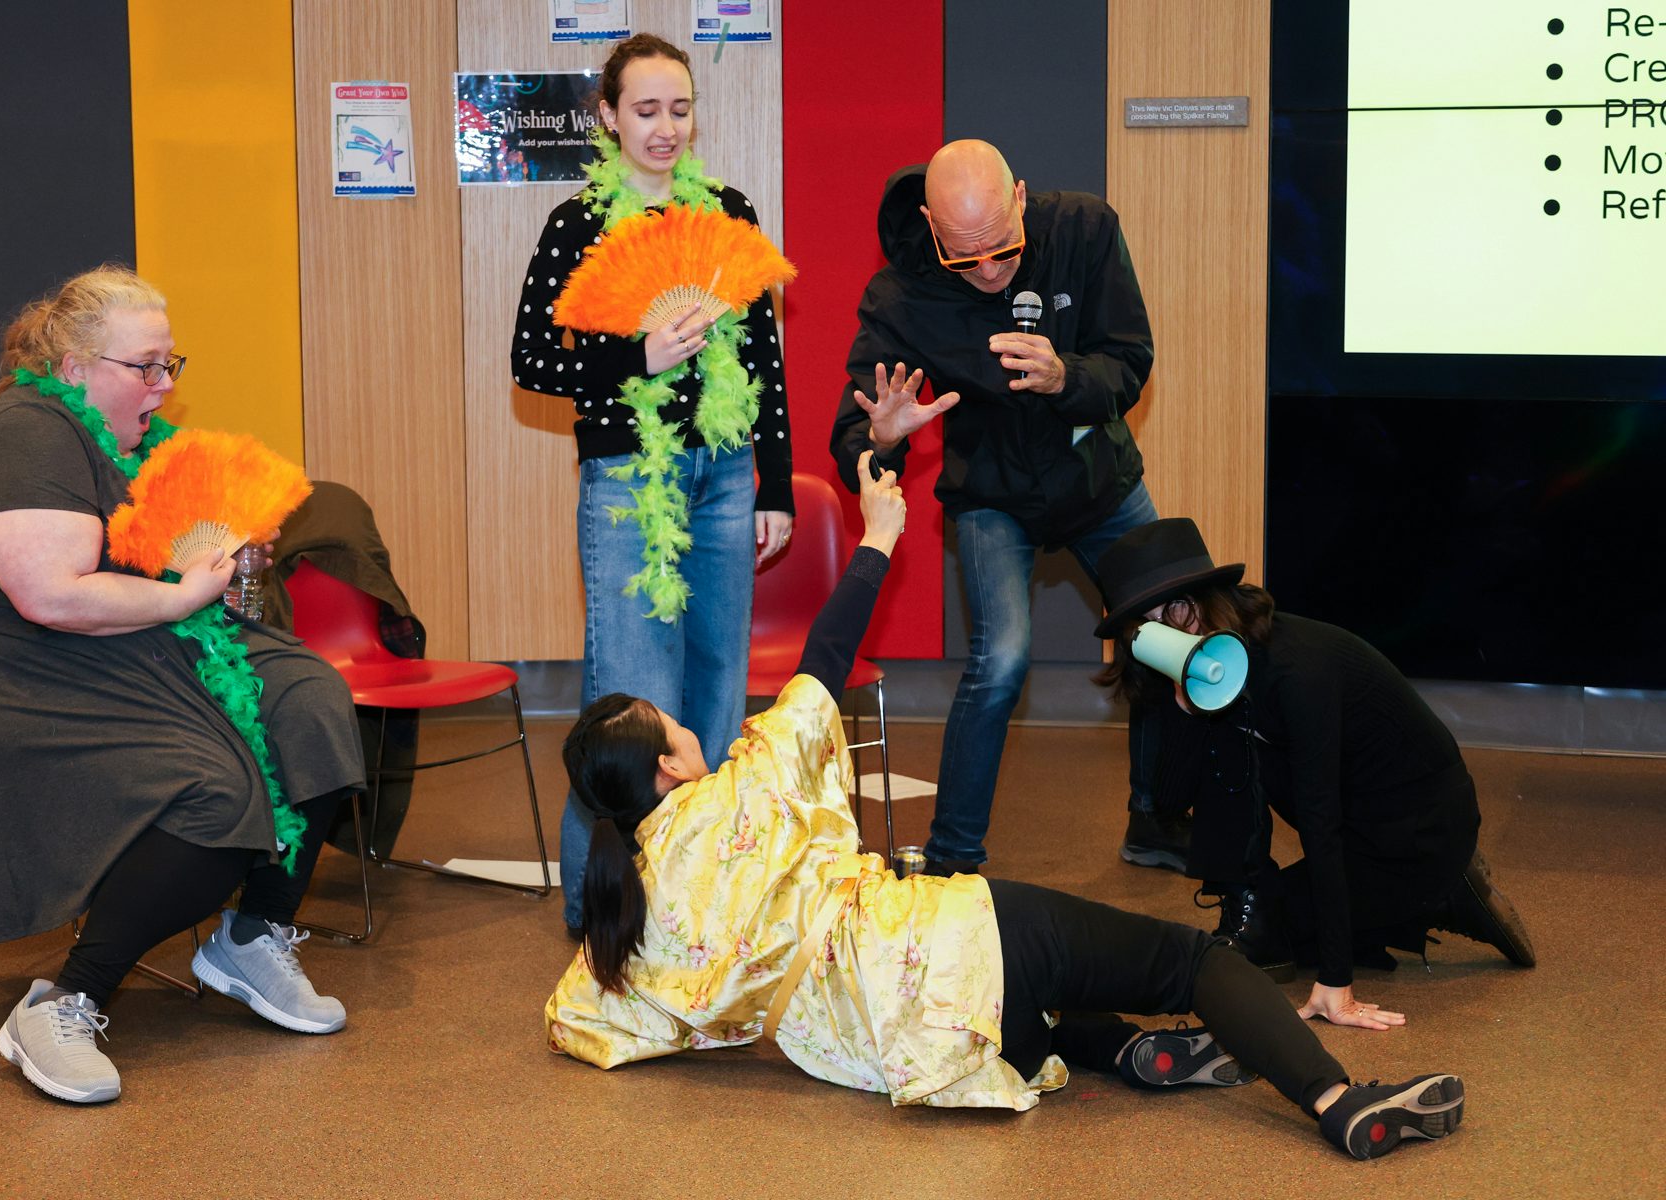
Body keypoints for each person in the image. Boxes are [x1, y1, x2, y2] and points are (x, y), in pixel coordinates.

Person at [545, 453, 1467, 1161]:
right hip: (965, 944)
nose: (690, 727)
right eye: (674, 725)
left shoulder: (635, 913)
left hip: (915, 1053)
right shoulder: (746, 781)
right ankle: (1340, 1104)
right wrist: (877, 533)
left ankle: (1132, 1055)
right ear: (668, 770)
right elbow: (823, 661)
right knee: (1189, 965)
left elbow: (575, 1017)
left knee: (1044, 1004)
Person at [0, 266, 365, 1103]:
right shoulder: (26, 431)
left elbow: (179, 577)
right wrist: (180, 594)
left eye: (172, 364)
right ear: (70, 367)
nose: (163, 388)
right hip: (2, 668)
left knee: (309, 700)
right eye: (144, 368)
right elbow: (50, 595)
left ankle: (252, 936)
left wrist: (234, 573)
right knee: (213, 792)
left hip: (133, 642)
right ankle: (65, 1001)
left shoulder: (147, 445)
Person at [828, 138, 1179, 876]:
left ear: (1020, 197)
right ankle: (954, 860)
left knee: (1169, 636)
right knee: (1002, 659)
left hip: (1098, 481)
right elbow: (856, 431)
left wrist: (1068, 376)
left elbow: (1130, 357)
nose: (987, 270)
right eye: (964, 257)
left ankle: (1156, 818)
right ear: (930, 223)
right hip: (991, 495)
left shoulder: (1086, 230)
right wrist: (883, 436)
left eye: (1002, 249)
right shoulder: (900, 295)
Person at [511, 33, 794, 933]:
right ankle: (601, 904)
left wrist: (775, 485)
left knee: (713, 690)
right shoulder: (579, 226)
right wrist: (639, 352)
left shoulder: (728, 214)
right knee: (632, 701)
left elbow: (766, 362)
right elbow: (532, 363)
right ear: (608, 117)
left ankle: (694, 892)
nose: (666, 128)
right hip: (632, 480)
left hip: (725, 476)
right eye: (646, 110)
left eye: (679, 109)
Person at [1092, 518, 1536, 1028]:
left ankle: (1446, 894)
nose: (1172, 631)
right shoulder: (1187, 670)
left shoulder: (1296, 670)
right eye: (1149, 627)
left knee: (1302, 924)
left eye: (1179, 608)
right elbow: (1167, 803)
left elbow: (1321, 818)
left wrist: (1336, 983)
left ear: (1212, 598)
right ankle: (1315, 901)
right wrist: (1183, 713)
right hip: (1355, 824)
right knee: (1269, 922)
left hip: (1420, 831)